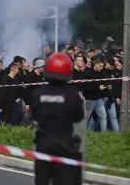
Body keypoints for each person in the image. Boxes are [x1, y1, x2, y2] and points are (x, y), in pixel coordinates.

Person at [31, 53, 84, 185]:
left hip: (43, 141)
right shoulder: (72, 94)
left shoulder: (38, 93)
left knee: (41, 180)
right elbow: (79, 117)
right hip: (65, 143)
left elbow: (34, 114)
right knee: (64, 180)